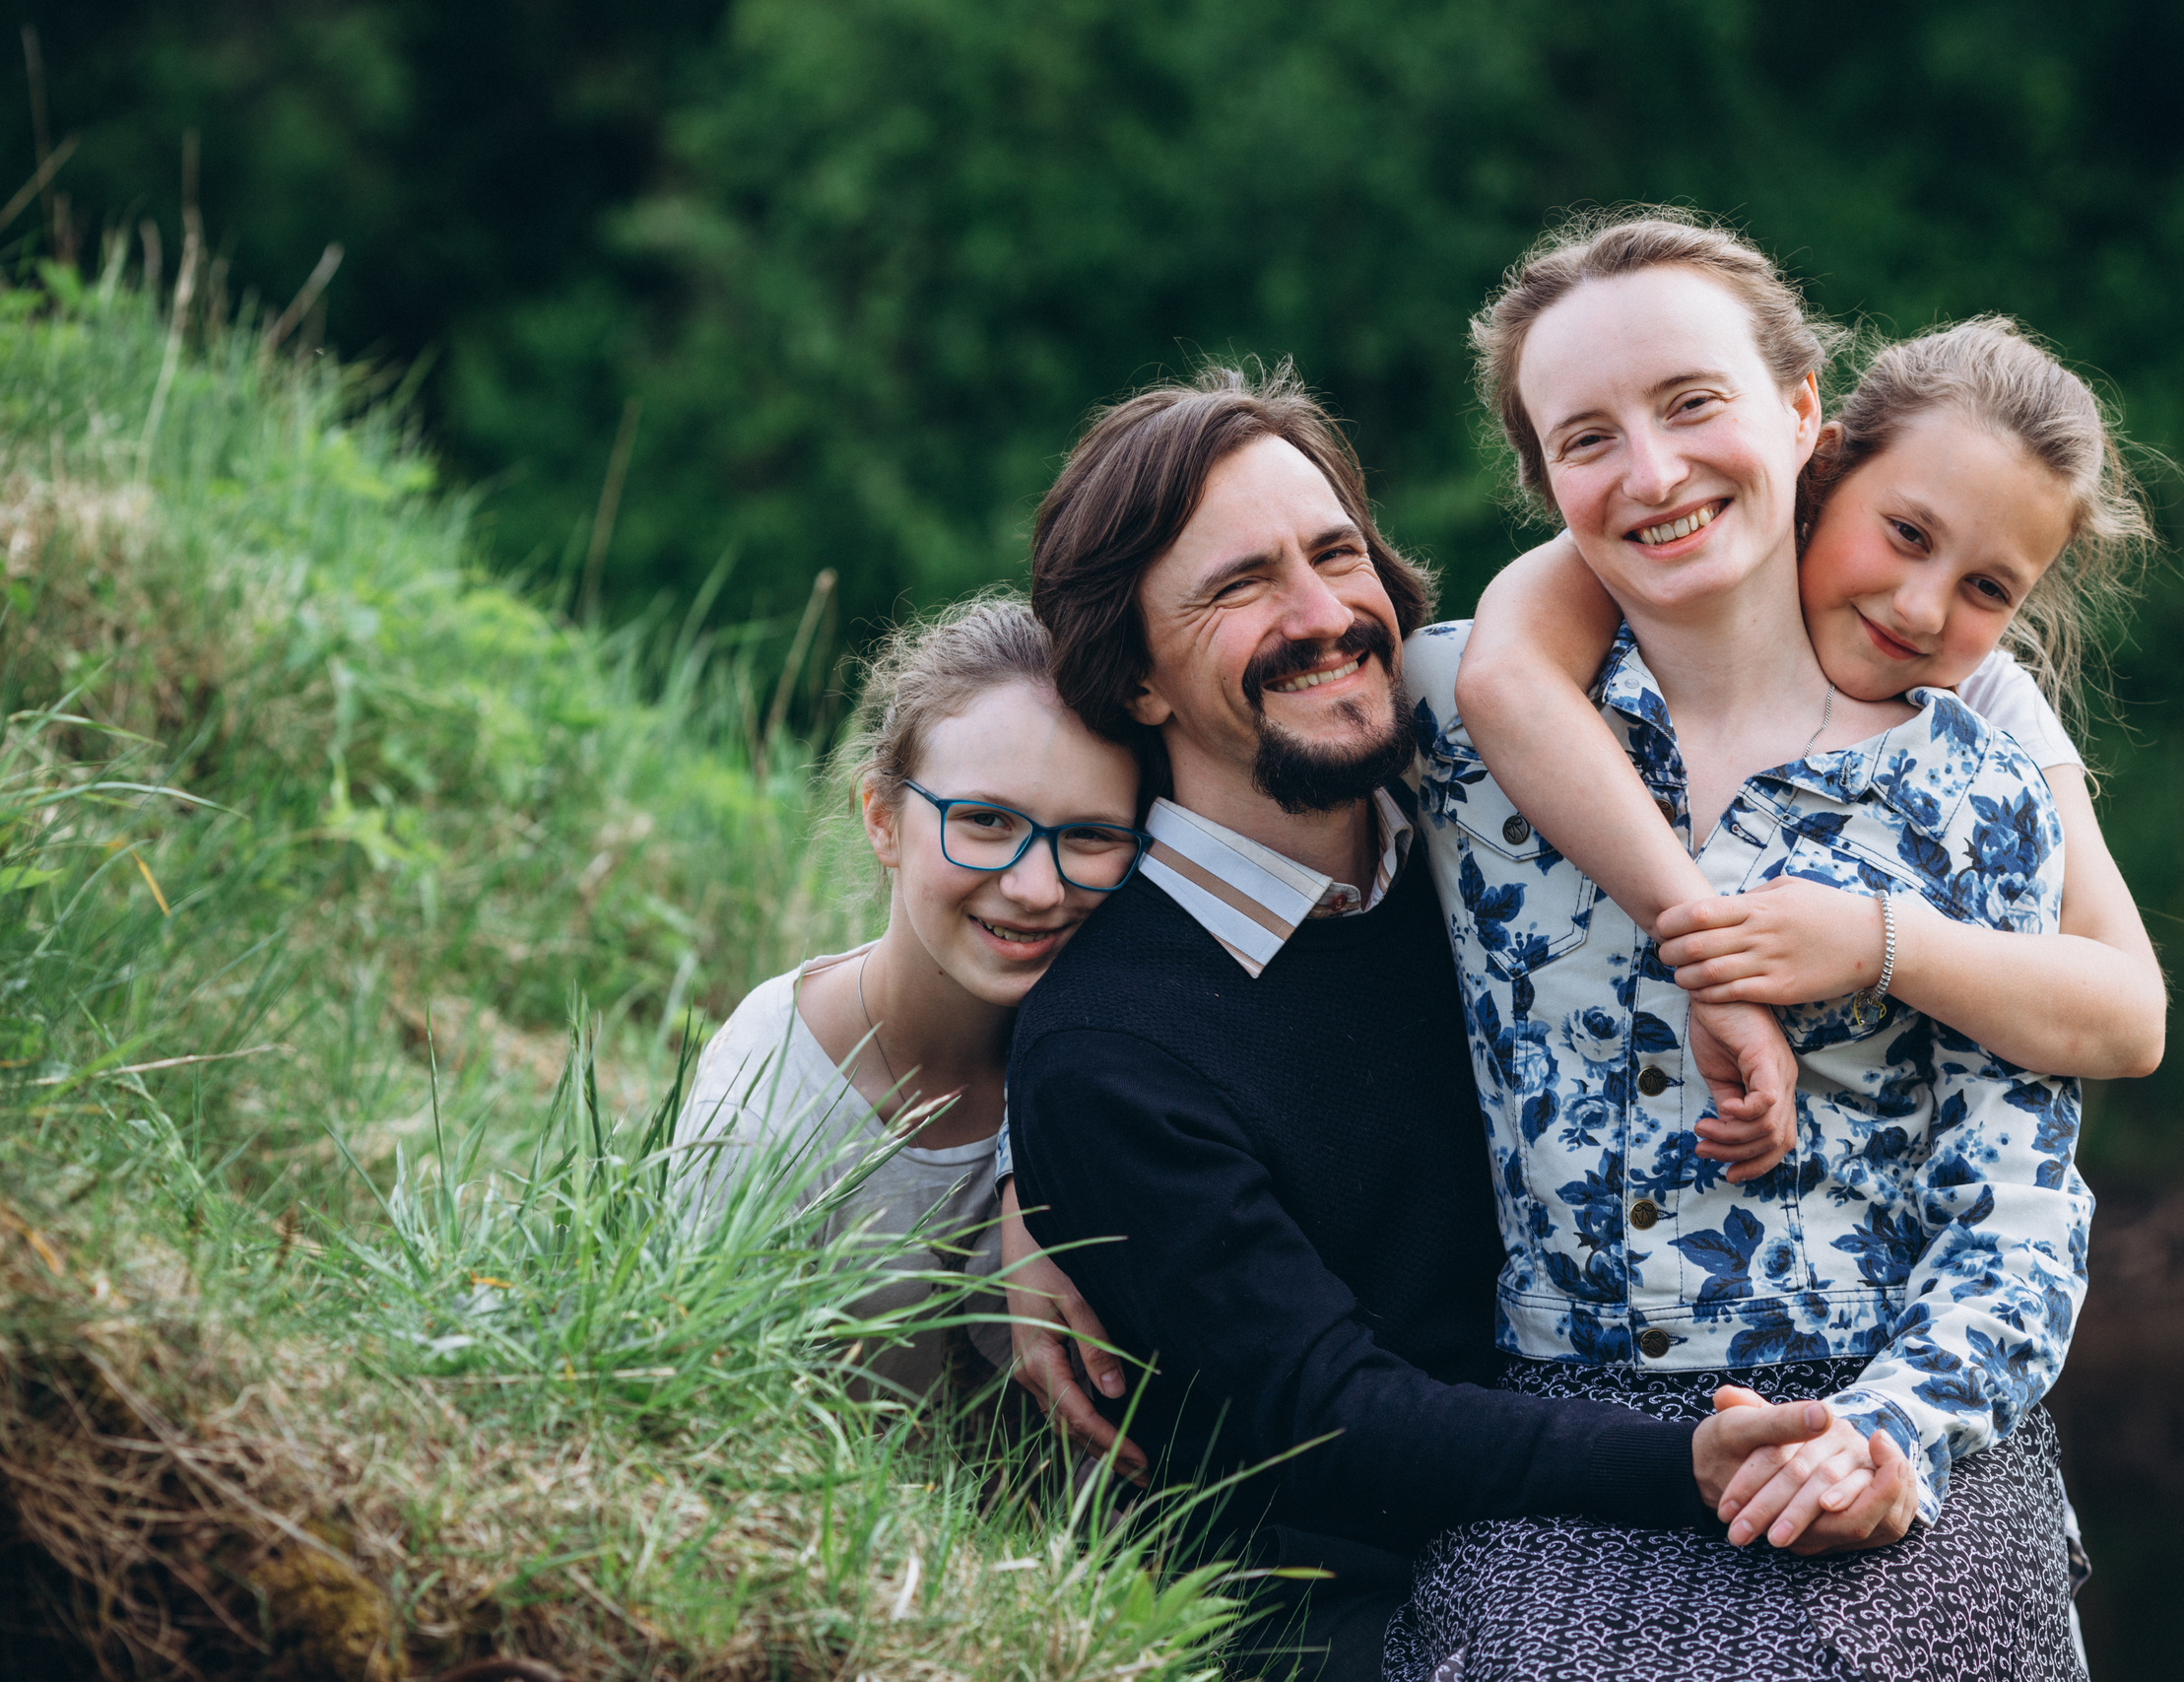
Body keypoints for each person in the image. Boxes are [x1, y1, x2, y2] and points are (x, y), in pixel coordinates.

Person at [999, 364, 1808, 1682]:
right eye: (1241, 583)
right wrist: (1693, 1460)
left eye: (1337, 554)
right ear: (1134, 676)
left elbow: (1764, 570)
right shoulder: (1109, 1048)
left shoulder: (1505, 824)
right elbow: (1338, 1420)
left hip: (1622, 1462)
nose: (1325, 616)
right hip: (1347, 1599)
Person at [1386, 213, 2093, 1680]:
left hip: (1894, 1397)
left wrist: (1893, 1433)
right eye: (1587, 436)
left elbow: (2020, 1204)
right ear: (1546, 486)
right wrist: (1039, 1171)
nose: (1651, 473)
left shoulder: (1973, 779)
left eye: (1691, 402)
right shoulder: (1450, 719)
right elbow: (1161, 837)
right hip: (1570, 1412)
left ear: (1802, 410)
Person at [1455, 314, 2164, 1084]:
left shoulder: (1987, 700)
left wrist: (1880, 940)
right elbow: (1507, 672)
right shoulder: (1678, 560)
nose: (1922, 609)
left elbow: (2129, 1020)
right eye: (1908, 534)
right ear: (1821, 467)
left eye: (1988, 588)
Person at [672, 595, 1151, 1397]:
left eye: (1091, 836)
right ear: (882, 818)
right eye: (986, 821)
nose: (1036, 888)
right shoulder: (765, 1117)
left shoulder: (1138, 1054)